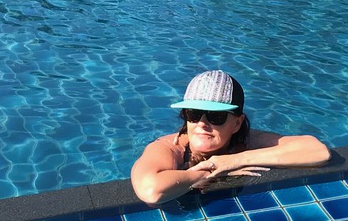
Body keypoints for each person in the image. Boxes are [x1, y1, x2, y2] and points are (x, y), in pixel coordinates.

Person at [130, 70, 331, 206]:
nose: (201, 123)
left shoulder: (247, 141)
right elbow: (151, 190)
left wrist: (234, 160)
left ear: (236, 123)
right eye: (193, 113)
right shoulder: (170, 148)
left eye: (215, 116)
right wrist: (211, 171)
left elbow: (318, 151)